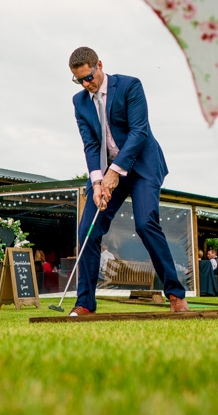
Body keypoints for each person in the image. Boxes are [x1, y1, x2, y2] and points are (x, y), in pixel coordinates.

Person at [68, 46, 189, 315]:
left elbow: (138, 132)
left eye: (89, 77)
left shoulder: (130, 86)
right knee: (87, 230)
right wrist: (98, 182)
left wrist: (115, 172)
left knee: (145, 223)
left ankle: (175, 295)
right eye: (79, 80)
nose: (86, 84)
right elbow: (90, 144)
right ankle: (85, 303)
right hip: (106, 170)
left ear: (99, 65)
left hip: (143, 165)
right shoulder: (79, 102)